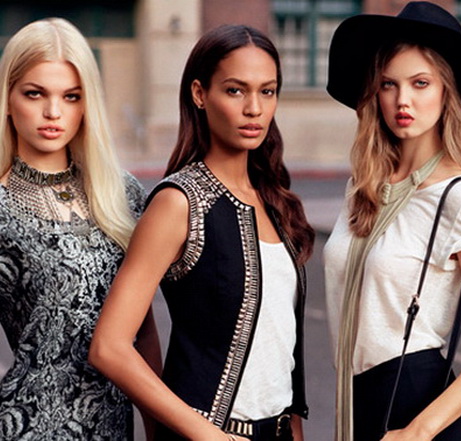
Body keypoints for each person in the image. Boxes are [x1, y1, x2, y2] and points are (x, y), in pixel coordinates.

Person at [89, 24, 315, 441]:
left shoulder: (275, 201)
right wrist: (205, 434)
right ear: (199, 94)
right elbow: (110, 347)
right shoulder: (179, 201)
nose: (254, 108)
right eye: (235, 90)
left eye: (267, 91)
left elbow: (281, 350)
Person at [323, 2, 461, 441]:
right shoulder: (363, 186)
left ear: (447, 92)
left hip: (418, 409)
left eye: (420, 83)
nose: (402, 100)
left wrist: (419, 431)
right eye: (388, 84)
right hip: (355, 402)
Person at [0, 17, 161, 440]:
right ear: (7, 99)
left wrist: (157, 428)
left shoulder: (122, 193)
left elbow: (143, 328)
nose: (53, 112)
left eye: (71, 96)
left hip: (114, 428)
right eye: (35, 93)